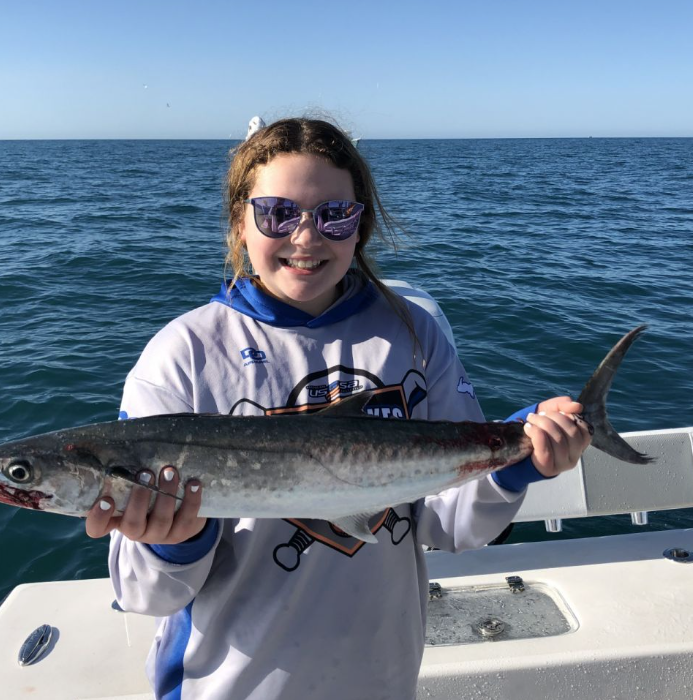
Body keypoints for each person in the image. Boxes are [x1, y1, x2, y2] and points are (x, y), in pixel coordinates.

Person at [85, 118, 591, 700]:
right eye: (277, 212)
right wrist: (172, 542)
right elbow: (146, 596)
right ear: (239, 221)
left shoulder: (412, 334)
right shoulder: (184, 356)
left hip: (381, 679)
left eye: (334, 215)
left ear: (361, 227)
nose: (306, 237)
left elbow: (448, 523)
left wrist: (517, 461)